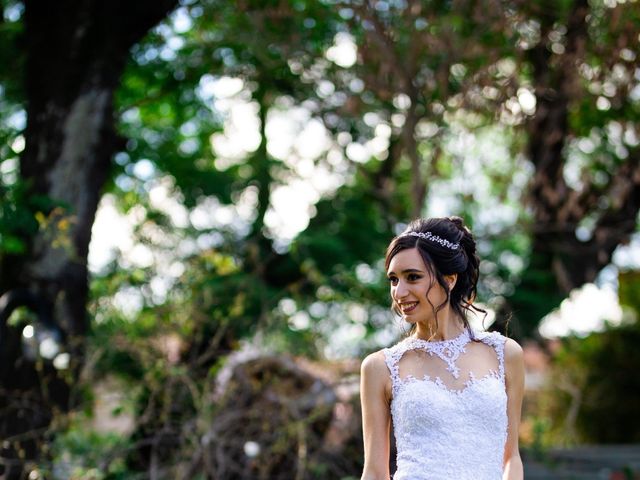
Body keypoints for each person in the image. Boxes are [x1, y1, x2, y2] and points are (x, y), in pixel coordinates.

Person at [360, 216, 525, 480]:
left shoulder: (505, 354)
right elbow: (375, 473)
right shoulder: (380, 367)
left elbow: (511, 458)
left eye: (412, 277)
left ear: (449, 279)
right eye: (393, 279)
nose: (399, 292)